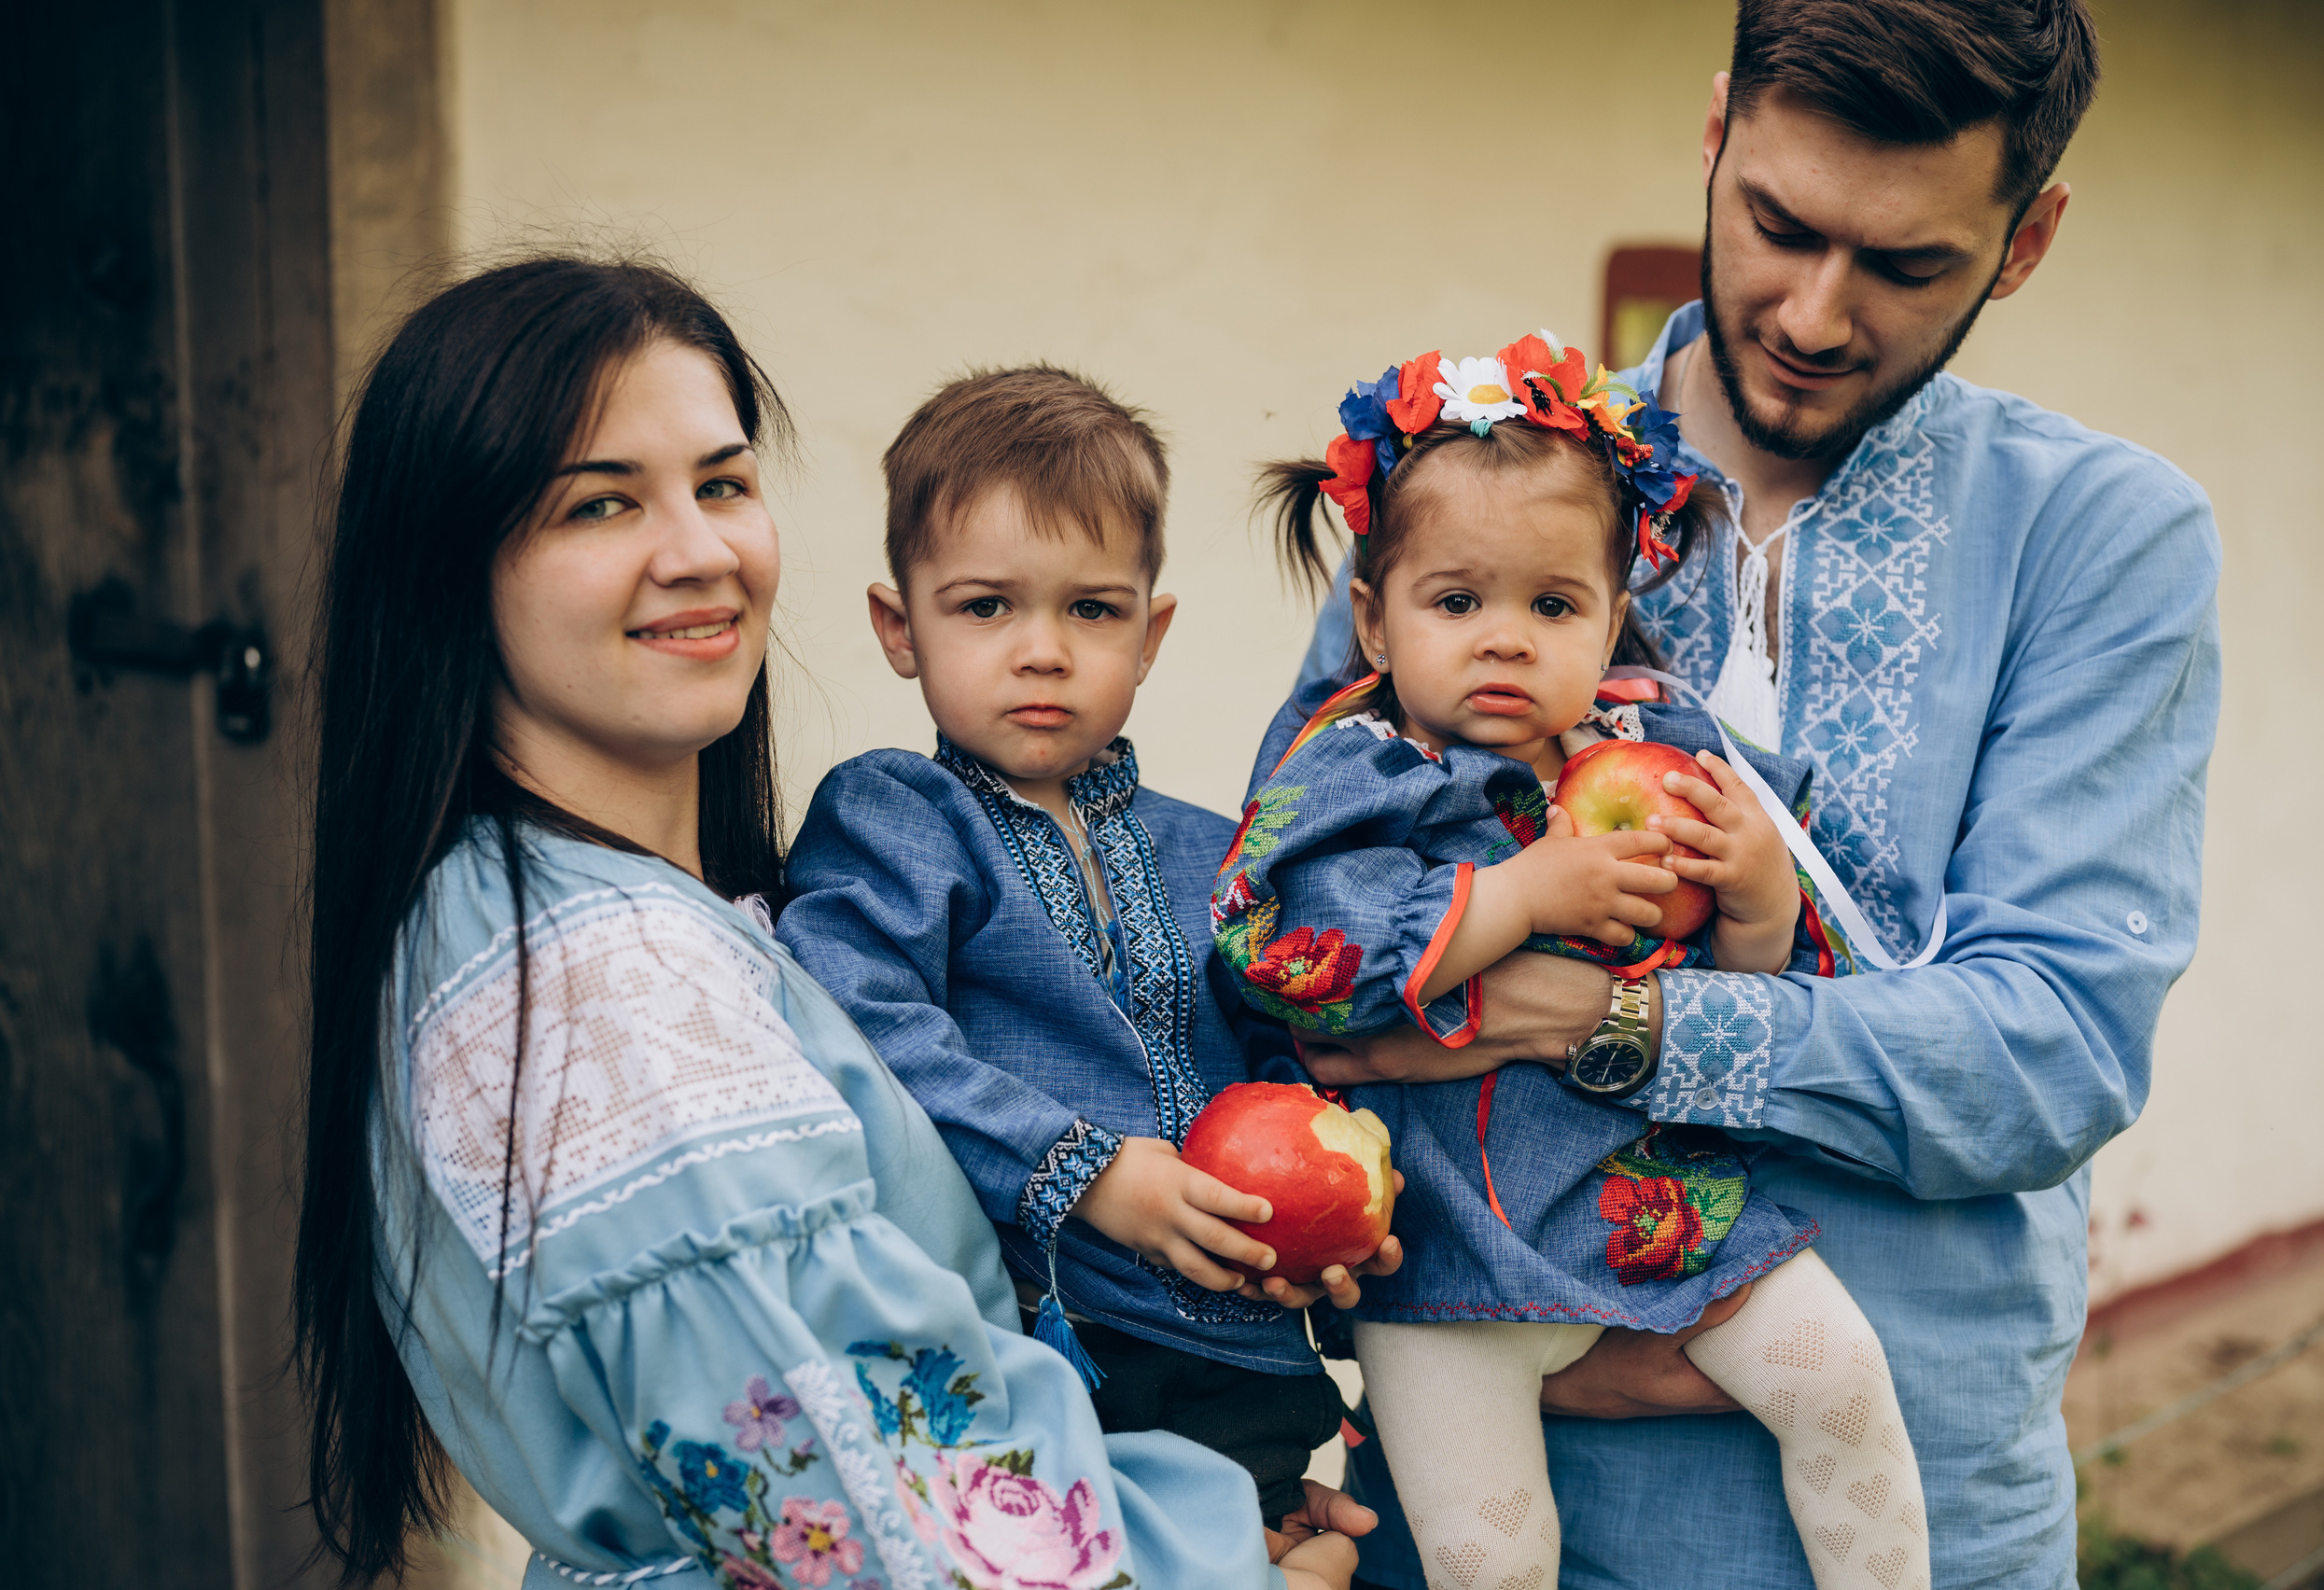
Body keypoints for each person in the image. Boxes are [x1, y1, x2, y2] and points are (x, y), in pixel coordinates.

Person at [1286, 4, 2222, 1586]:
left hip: (1925, 1512)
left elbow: (2048, 1048)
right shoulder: (1480, 489)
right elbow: (1298, 955)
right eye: (1777, 225)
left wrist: (1601, 1018)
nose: (1811, 311)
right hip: (1512, 1485)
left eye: (1907, 264)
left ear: (2028, 236)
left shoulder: (2102, 538)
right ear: (1714, 132)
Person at [290, 260, 1374, 1590]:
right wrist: (1224, 1569)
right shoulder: (606, 975)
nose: (699, 549)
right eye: (601, 501)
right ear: (454, 566)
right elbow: (861, 1501)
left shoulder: (561, 910)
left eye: (724, 483)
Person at [1221, 332, 1927, 1590]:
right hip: (1442, 1254)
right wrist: (1518, 894)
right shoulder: (1354, 773)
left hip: (1656, 1211)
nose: (1506, 639)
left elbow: (1761, 992)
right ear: (1374, 614)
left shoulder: (1657, 748)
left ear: (1613, 618)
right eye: (1457, 601)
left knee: (1844, 1382)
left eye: (1552, 605)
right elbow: (1284, 957)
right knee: (1494, 1559)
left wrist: (1759, 891)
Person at [776, 367, 1399, 1586]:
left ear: (1151, 634)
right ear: (899, 627)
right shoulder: (896, 819)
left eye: (1093, 611)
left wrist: (1334, 1219)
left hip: (1256, 1372)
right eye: (986, 607)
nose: (1043, 652)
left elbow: (1280, 1062)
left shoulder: (1215, 847)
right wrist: (1087, 1172)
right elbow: (867, 1038)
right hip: (1061, 1353)